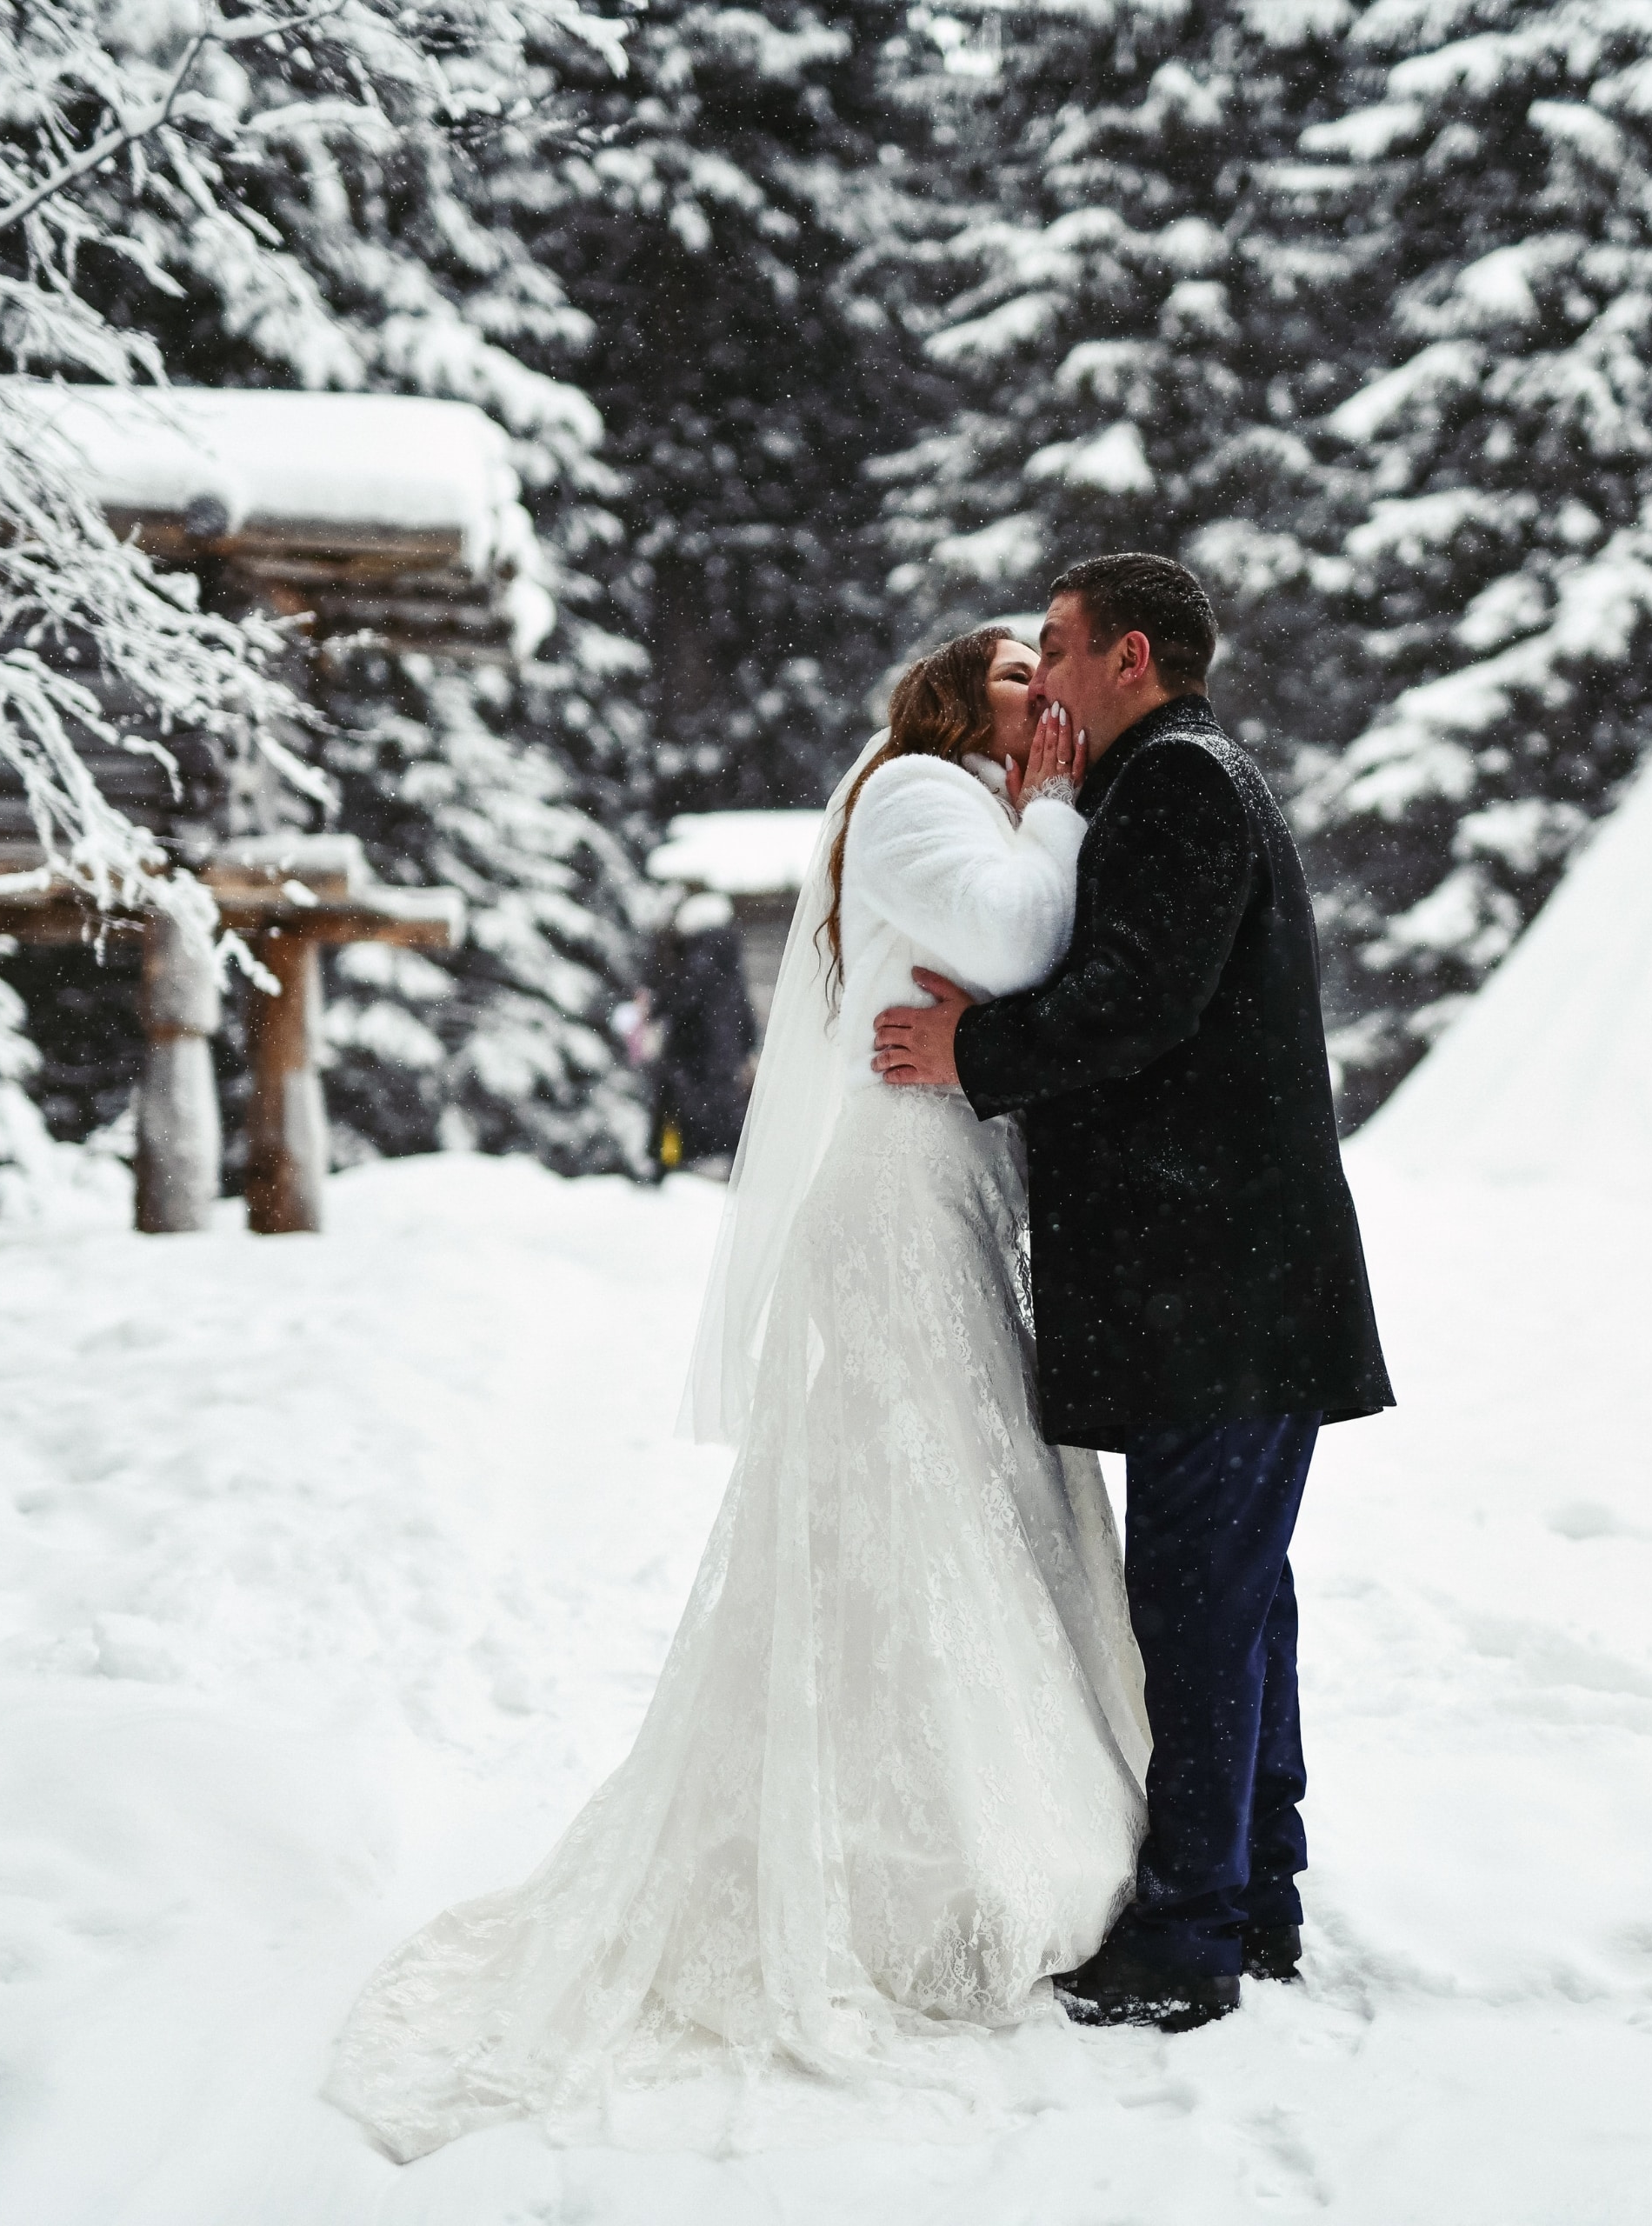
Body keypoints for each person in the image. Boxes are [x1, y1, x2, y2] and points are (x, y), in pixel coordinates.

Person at [325, 630, 1149, 2162]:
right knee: (921, 1510)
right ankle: (919, 1859)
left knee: (974, 1502)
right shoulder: (918, 795)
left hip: (948, 1195)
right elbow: (1023, 942)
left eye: (1054, 675)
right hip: (897, 1206)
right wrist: (1052, 805)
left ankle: (984, 1820)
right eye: (1020, 676)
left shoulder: (973, 795)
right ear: (956, 700)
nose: (1049, 695)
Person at [873, 552, 1393, 2032]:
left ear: (1133, 660)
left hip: (1221, 1289)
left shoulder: (1176, 785)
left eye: (1060, 644)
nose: (1041, 672)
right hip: (1237, 1286)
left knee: (1200, 1606)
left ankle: (1189, 1938)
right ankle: (1256, 1893)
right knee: (1234, 1601)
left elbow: (1139, 1002)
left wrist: (973, 1055)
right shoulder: (1184, 778)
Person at [643, 891, 759, 1178]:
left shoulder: (700, 953)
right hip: (724, 1055)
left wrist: (654, 1008)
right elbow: (743, 1007)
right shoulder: (730, 957)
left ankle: (666, 1165)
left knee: (675, 1111)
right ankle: (730, 1165)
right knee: (724, 1112)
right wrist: (746, 1046)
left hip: (693, 1053)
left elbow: (683, 995)